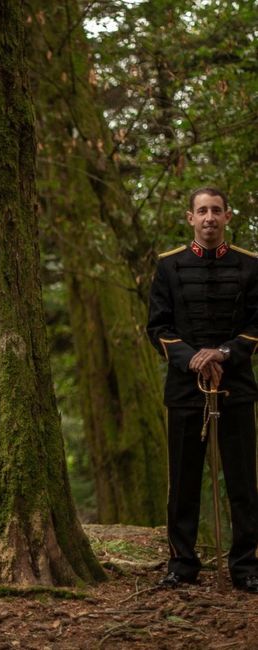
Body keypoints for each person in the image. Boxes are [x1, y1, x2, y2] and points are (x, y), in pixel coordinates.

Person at [147, 187, 258, 592]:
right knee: (184, 479)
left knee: (244, 480)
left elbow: (256, 324)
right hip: (184, 387)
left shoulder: (250, 266)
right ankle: (182, 564)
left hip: (237, 385)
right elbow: (158, 327)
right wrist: (194, 357)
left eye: (216, 211)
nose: (209, 217)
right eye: (202, 211)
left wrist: (224, 353)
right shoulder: (168, 267)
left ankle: (246, 566)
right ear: (190, 217)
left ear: (228, 216)